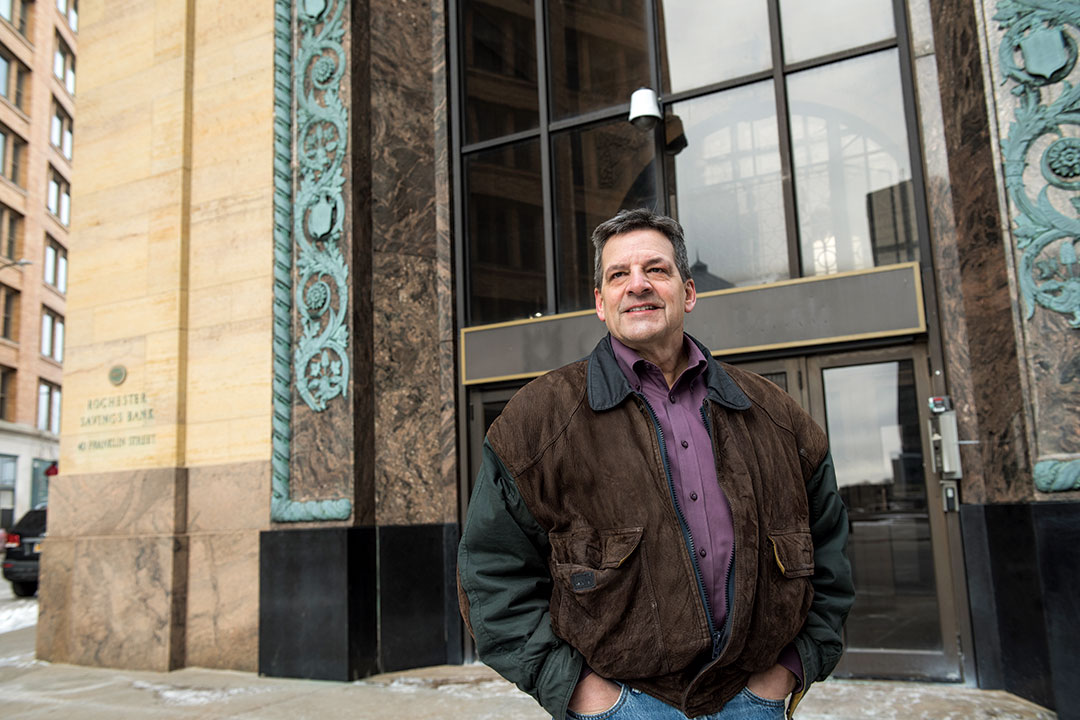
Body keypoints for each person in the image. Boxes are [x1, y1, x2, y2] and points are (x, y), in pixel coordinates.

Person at [457, 209, 854, 719]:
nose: (637, 285)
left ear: (687, 292)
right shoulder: (537, 421)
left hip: (753, 701)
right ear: (601, 303)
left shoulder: (776, 415)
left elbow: (831, 556)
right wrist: (584, 693)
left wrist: (787, 672)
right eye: (618, 274)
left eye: (656, 270)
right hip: (623, 706)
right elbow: (491, 576)